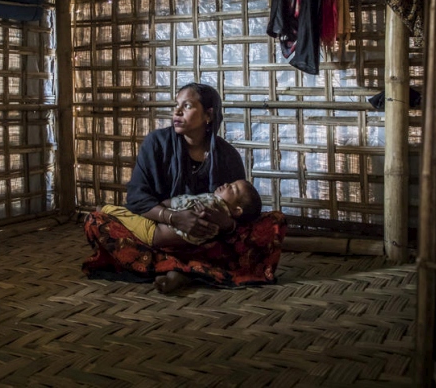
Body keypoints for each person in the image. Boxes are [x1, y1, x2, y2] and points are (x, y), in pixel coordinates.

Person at [82, 83, 287, 293]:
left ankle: (169, 268)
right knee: (96, 222)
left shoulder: (227, 156)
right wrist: (173, 217)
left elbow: (240, 211)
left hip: (209, 241)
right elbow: (136, 198)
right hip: (158, 233)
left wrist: (226, 224)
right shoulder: (156, 144)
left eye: (187, 106)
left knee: (274, 222)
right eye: (176, 105)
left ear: (208, 115)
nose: (177, 112)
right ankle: (191, 270)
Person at [101, 178, 263, 248]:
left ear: (237, 210)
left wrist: (162, 207)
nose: (227, 184)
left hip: (153, 231)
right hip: (159, 228)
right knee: (126, 215)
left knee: (115, 213)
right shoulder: (218, 210)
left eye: (233, 188)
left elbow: (183, 204)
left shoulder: (213, 207)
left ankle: (101, 211)